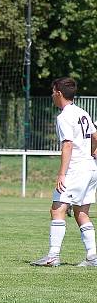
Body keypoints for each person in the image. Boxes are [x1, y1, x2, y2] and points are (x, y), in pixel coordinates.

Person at [32, 77, 97, 267]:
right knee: (81, 212)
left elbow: (67, 145)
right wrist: (94, 151)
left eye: (53, 92)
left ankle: (53, 256)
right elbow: (95, 135)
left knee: (57, 208)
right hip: (91, 169)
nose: (52, 95)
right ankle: (93, 256)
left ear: (59, 93)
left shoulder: (64, 116)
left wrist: (62, 174)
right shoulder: (82, 112)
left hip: (76, 170)